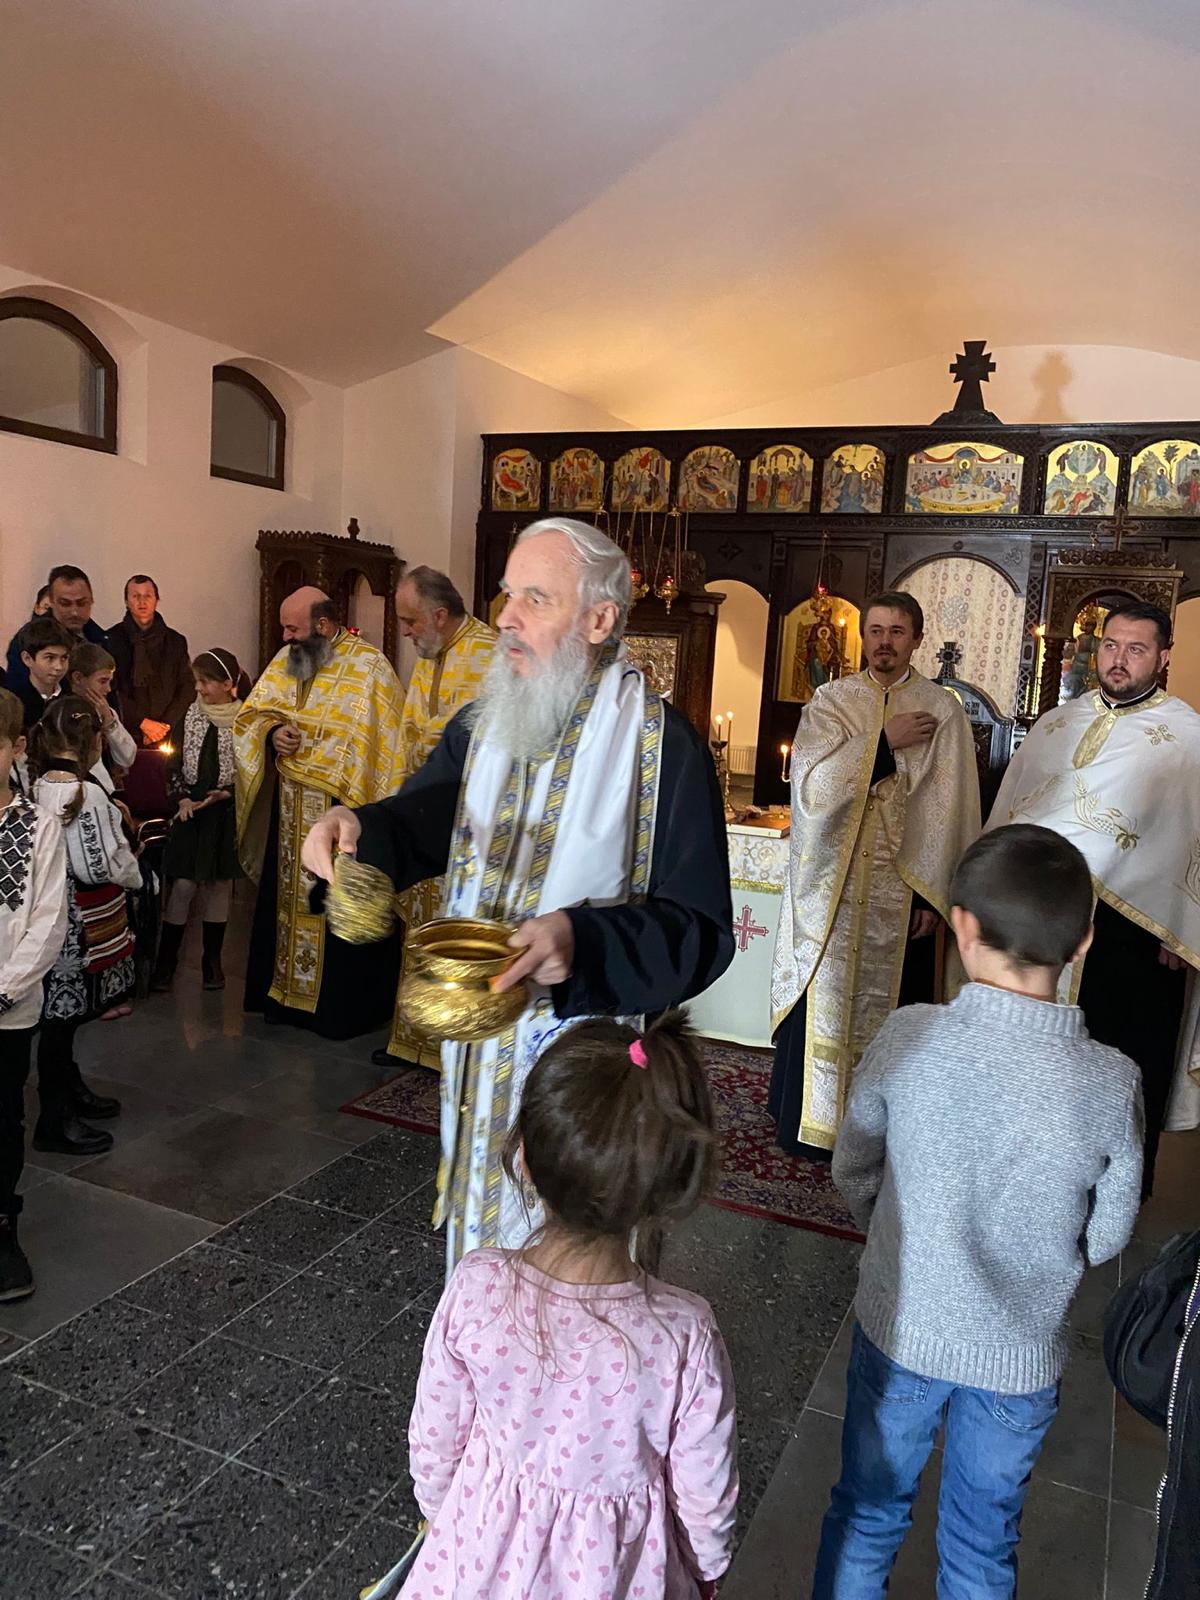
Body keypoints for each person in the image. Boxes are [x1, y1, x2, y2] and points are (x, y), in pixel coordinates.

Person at [301, 518, 733, 1272]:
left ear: (598, 620)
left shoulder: (663, 748)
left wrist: (582, 943)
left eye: (536, 598)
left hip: (583, 1076)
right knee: (481, 1247)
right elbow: (426, 817)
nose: (505, 616)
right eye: (507, 594)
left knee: (571, 1281)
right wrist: (360, 830)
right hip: (479, 1051)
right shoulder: (484, 722)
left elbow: (699, 932)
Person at [815, 825, 1143, 1599]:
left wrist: (898, 1235)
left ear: (961, 926)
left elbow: (853, 1164)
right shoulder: (1111, 1081)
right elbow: (1109, 1233)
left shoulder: (909, 1035)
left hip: (901, 1326)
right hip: (1020, 1356)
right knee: (981, 1541)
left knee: (868, 1515)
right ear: (1084, 942)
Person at [392, 1014, 737, 1600]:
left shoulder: (476, 1287)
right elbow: (705, 1499)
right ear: (664, 1188)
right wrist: (705, 1574)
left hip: (475, 1562)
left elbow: (435, 1441)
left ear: (524, 1159)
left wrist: (448, 1522)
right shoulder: (685, 1334)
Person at [988, 600, 1200, 1196]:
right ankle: (1031, 1181)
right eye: (1110, 645)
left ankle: (1117, 1194)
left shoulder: (1187, 736)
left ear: (1163, 657)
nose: (1118, 660)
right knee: (1039, 1053)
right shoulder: (1058, 725)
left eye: (1136, 649)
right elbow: (1014, 812)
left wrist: (1182, 926)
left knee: (1126, 1061)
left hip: (1136, 931)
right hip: (1046, 920)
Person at [769, 592, 980, 1158]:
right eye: (877, 630)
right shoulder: (831, 701)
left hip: (903, 894)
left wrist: (930, 900)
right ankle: (809, 1127)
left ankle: (880, 1138)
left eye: (898, 631)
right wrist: (884, 743)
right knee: (824, 1000)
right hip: (833, 890)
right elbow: (810, 787)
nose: (885, 641)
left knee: (899, 1010)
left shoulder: (943, 710)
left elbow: (951, 815)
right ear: (864, 637)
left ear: (917, 639)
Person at [235, 587, 408, 1038]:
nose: (284, 637)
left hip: (342, 812)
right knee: (288, 903)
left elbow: (388, 747)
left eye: (292, 628)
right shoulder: (287, 659)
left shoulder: (370, 667)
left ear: (324, 625)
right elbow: (254, 715)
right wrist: (273, 733)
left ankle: (337, 1010)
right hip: (290, 807)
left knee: (335, 905)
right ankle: (284, 997)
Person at [373, 566, 496, 1070]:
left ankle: (453, 1047)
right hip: (424, 811)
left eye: (410, 621)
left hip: (469, 822)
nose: (404, 631)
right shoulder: (429, 656)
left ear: (440, 615)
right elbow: (409, 732)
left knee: (458, 931)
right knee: (420, 930)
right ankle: (412, 1040)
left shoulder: (492, 656)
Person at [30, 697, 142, 1155]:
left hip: (44, 915)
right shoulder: (86, 795)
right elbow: (100, 865)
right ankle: (55, 1119)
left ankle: (68, 1091)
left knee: (60, 1021)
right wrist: (137, 873)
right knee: (61, 1022)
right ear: (94, 741)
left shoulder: (36, 785)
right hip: (75, 924)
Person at [0, 689, 69, 1302]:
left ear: (17, 747)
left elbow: (48, 920)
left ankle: (2, 1226)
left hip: (8, 1007)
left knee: (2, 1117)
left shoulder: (37, 826)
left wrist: (4, 991)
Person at [153, 648, 248, 993]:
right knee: (183, 885)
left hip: (223, 812)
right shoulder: (190, 716)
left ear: (227, 684)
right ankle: (166, 962)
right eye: (197, 681)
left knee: (219, 885)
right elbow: (173, 761)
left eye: (206, 682)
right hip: (190, 811)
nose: (199, 689)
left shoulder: (244, 721)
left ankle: (212, 961)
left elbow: (251, 773)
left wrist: (227, 793)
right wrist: (181, 797)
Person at [106, 574, 194, 747]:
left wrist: (163, 727)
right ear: (126, 601)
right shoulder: (111, 640)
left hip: (167, 731)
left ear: (156, 600)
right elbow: (110, 690)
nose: (142, 602)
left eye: (147, 595)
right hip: (124, 732)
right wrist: (143, 723)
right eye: (135, 596)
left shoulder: (175, 641)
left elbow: (187, 688)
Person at [5, 566, 109, 695]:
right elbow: (18, 695)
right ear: (51, 602)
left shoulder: (101, 638)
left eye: (81, 603)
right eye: (65, 603)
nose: (74, 612)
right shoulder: (28, 639)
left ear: (91, 601)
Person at [68, 642, 138, 796]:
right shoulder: (63, 713)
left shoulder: (105, 711)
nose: (108, 689)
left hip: (106, 793)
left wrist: (108, 721)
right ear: (78, 678)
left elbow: (127, 757)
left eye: (110, 682)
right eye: (102, 681)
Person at [14, 616, 72, 732]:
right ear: (27, 659)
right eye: (50, 658)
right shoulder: (14, 703)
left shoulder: (72, 700)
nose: (59, 667)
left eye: (64, 658)